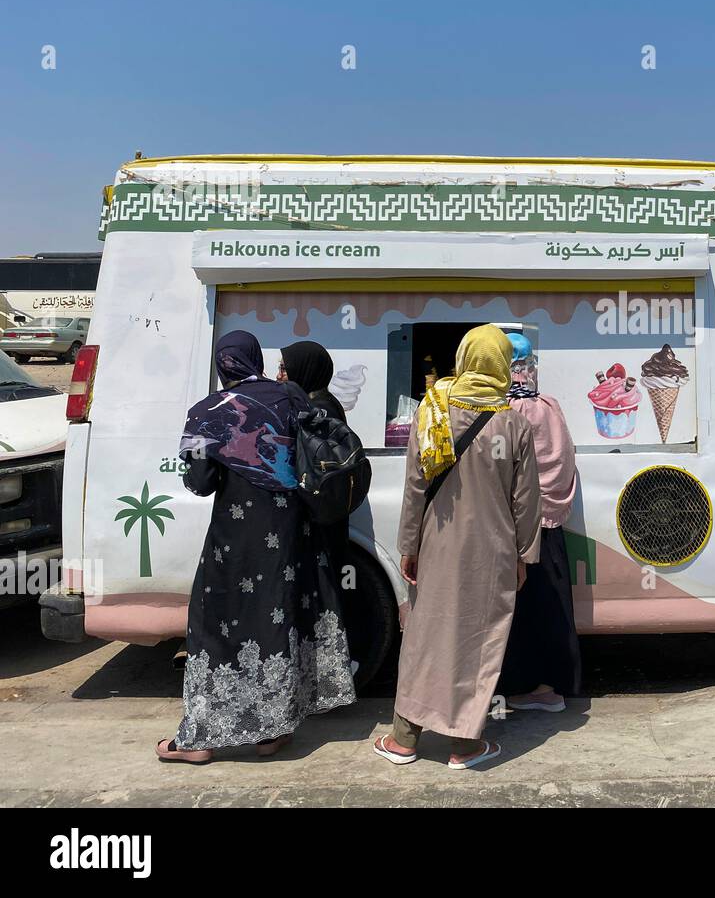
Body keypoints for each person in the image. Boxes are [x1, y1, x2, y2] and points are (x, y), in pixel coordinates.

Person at [158, 330, 356, 764]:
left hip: (237, 536)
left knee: (218, 623)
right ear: (255, 358)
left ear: (221, 364)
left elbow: (200, 482)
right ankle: (273, 733)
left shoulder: (207, 411)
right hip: (293, 533)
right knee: (278, 616)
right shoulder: (292, 396)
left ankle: (200, 740)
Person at [374, 325, 541, 769]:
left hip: (436, 542)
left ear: (465, 358)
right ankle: (464, 746)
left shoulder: (432, 412)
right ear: (503, 364)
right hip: (494, 549)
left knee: (425, 635)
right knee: (479, 638)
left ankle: (404, 740)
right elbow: (526, 501)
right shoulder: (515, 423)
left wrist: (409, 544)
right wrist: (525, 555)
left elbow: (415, 485)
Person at [497, 332, 581, 712]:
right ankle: (553, 687)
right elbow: (564, 461)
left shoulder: (505, 410)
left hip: (521, 525)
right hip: (552, 520)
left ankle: (531, 689)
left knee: (522, 611)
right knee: (552, 607)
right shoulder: (549, 404)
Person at [278, 340, 357, 673]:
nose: (279, 374)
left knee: (323, 597)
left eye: (284, 367)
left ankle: (331, 670)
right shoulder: (321, 402)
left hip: (318, 520)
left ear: (303, 370)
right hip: (326, 517)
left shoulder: (316, 409)